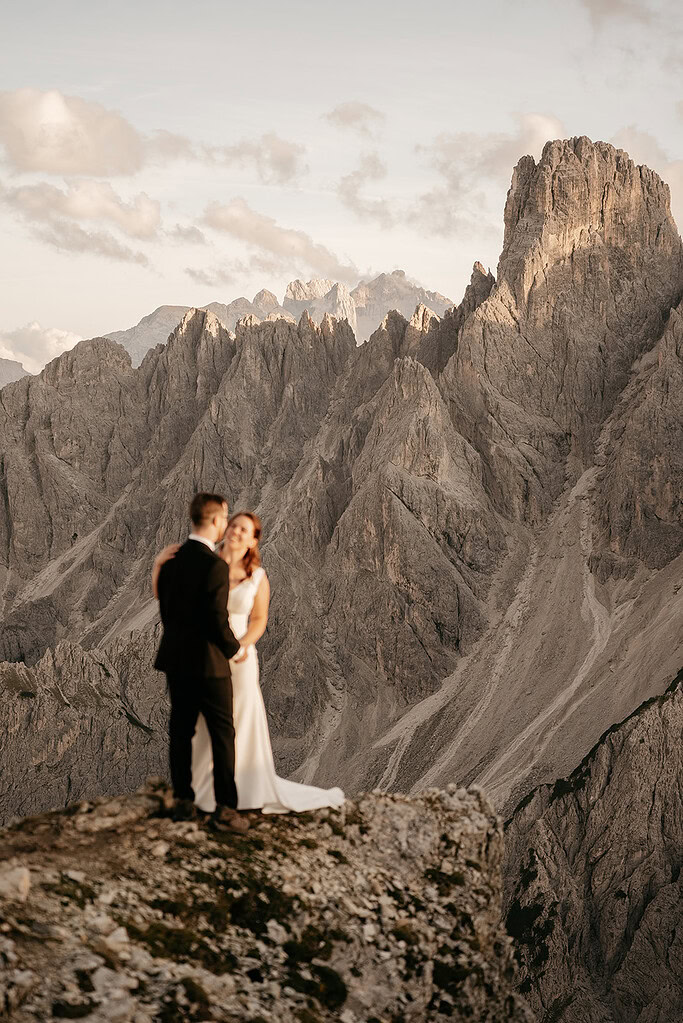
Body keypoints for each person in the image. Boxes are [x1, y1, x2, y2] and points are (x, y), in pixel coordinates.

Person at [153, 510, 345, 815]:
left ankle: (241, 791)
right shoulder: (205, 563)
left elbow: (259, 619)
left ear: (254, 540)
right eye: (233, 526)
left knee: (237, 722)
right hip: (205, 655)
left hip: (239, 658)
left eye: (245, 529)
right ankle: (203, 792)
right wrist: (160, 564)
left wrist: (241, 645)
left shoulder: (257, 576)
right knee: (204, 726)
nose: (236, 531)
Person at [153, 492, 249, 833]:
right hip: (210, 665)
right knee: (223, 734)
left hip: (177, 661)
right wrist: (234, 648)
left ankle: (183, 802)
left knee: (181, 731)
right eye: (224, 518)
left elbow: (165, 610)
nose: (226, 523)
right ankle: (225, 808)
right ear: (213, 521)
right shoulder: (216, 566)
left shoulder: (171, 563)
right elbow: (216, 619)